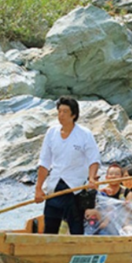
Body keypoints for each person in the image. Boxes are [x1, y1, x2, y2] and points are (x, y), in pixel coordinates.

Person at [35, 96, 101, 235]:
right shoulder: (52, 132)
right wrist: (38, 188)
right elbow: (44, 161)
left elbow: (93, 159)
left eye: (65, 112)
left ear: (74, 115)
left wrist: (91, 178)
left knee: (76, 228)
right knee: (50, 227)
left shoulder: (84, 134)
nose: (61, 115)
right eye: (59, 111)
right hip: (55, 186)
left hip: (75, 186)